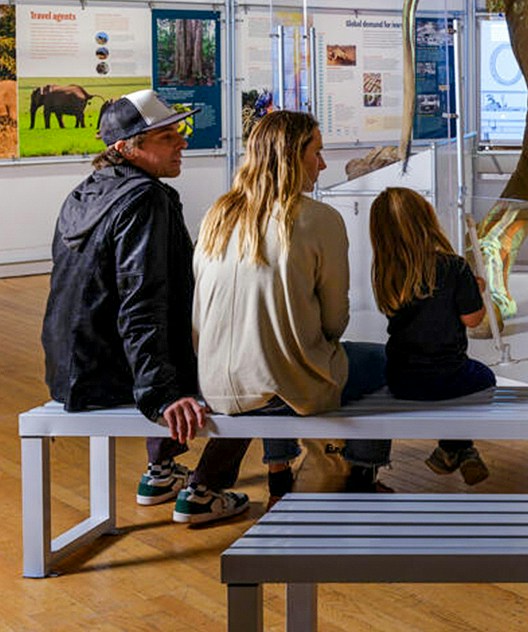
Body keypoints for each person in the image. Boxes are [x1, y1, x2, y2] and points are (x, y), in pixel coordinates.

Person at [41, 90, 251, 525]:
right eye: (166, 136)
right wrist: (161, 397)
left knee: (185, 352)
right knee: (249, 380)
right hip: (107, 378)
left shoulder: (88, 192)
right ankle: (205, 491)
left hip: (72, 370)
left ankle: (161, 471)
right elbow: (142, 300)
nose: (182, 143)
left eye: (178, 132)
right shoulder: (145, 200)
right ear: (125, 149)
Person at [192, 110, 392, 499]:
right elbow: (336, 322)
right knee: (386, 361)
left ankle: (278, 474)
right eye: (316, 153)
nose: (323, 164)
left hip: (214, 387)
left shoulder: (217, 215)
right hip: (280, 391)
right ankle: (361, 478)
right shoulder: (320, 219)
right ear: (290, 156)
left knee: (276, 360)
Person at [369, 186, 494, 484]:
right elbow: (473, 320)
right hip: (450, 376)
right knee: (485, 379)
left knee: (447, 386)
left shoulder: (386, 272)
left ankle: (455, 452)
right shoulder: (454, 267)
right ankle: (455, 448)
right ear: (427, 219)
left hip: (402, 380)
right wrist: (476, 290)